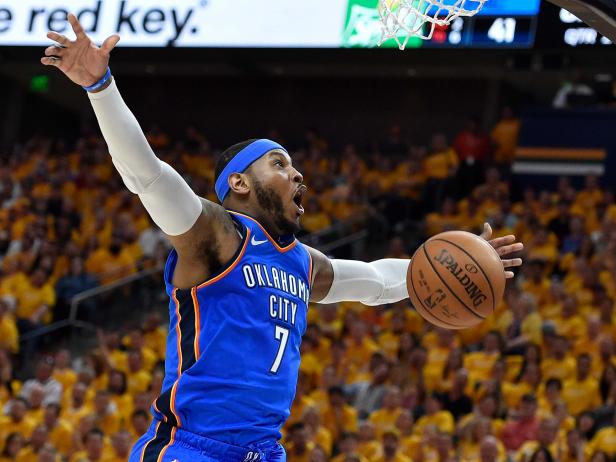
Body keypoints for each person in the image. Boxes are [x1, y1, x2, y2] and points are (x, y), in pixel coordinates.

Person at [40, 14, 523, 462]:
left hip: (264, 451)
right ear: (239, 183)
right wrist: (101, 88)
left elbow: (378, 281)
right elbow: (146, 176)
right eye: (279, 164)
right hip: (192, 447)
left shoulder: (302, 263)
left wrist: (458, 259)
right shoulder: (218, 236)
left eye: (294, 165)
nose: (298, 176)